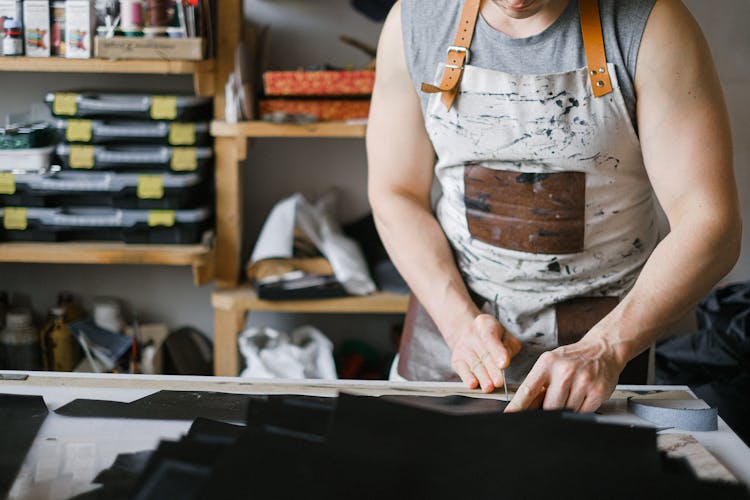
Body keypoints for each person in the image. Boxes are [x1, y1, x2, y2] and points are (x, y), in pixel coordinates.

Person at [366, 0, 741, 413]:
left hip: (598, 350)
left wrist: (606, 347)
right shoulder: (415, 20)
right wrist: (458, 324)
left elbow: (710, 223)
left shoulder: (652, 24)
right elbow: (395, 192)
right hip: (449, 330)